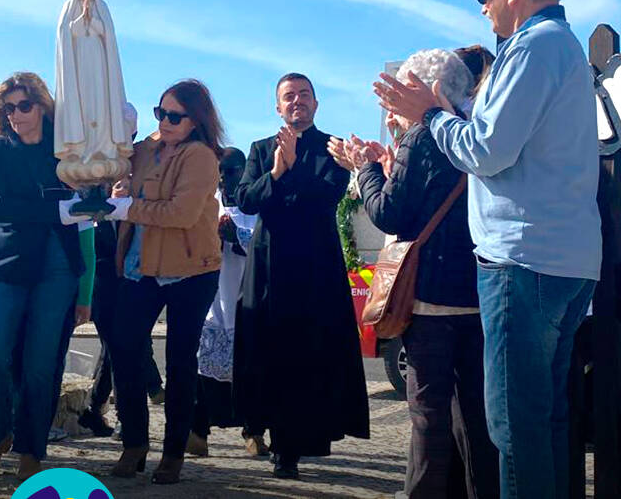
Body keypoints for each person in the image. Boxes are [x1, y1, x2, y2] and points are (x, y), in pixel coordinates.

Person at [376, 0, 601, 499]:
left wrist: (430, 116)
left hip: (522, 260)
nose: (481, 6)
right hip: (564, 258)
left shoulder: (531, 48)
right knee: (544, 419)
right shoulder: (561, 47)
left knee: (513, 428)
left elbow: (485, 151)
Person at [337, 50, 498, 499]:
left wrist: (366, 170)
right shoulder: (476, 128)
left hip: (429, 297)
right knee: (475, 416)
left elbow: (390, 213)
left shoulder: (422, 137)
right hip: (478, 289)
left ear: (425, 90)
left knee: (428, 412)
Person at [233, 72, 369, 480]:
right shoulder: (259, 150)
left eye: (304, 95)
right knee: (269, 354)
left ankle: (298, 442)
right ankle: (276, 441)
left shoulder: (333, 150)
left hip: (315, 272)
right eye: (289, 97)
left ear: (316, 103)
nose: (297, 102)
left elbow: (326, 197)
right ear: (277, 107)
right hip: (269, 268)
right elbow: (245, 200)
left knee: (309, 356)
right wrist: (277, 173)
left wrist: (291, 174)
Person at [0, 72, 95, 481]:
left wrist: (60, 206)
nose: (15, 115)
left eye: (23, 106)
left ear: (43, 106)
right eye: (7, 108)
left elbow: (85, 202)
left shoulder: (66, 151)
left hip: (59, 267)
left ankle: (32, 447)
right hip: (9, 267)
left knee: (42, 363)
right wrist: (56, 208)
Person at [106, 79, 224, 485]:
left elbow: (180, 213)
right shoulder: (147, 149)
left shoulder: (202, 157)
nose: (166, 121)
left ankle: (173, 452)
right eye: (161, 113)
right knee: (123, 347)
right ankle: (134, 442)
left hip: (192, 269)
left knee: (180, 360)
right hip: (141, 266)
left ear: (195, 120)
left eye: (175, 115)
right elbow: (114, 159)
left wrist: (127, 206)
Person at [187, 147, 259, 458]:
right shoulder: (208, 204)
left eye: (233, 171)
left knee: (252, 371)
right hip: (213, 301)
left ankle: (254, 431)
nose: (227, 178)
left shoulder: (257, 205)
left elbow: (265, 243)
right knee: (203, 370)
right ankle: (198, 432)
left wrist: (237, 236)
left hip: (247, 299)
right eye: (222, 172)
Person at [77, 219, 165, 437]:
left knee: (117, 346)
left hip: (137, 276)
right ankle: (125, 414)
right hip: (102, 277)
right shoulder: (92, 197)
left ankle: (95, 409)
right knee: (117, 346)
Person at [54, 0, 132, 173]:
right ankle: (82, 146)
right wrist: (82, 19)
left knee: (100, 100)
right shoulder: (69, 6)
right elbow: (65, 35)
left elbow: (109, 34)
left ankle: (102, 146)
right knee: (82, 101)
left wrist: (94, 21)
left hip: (99, 61)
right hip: (78, 63)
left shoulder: (102, 7)